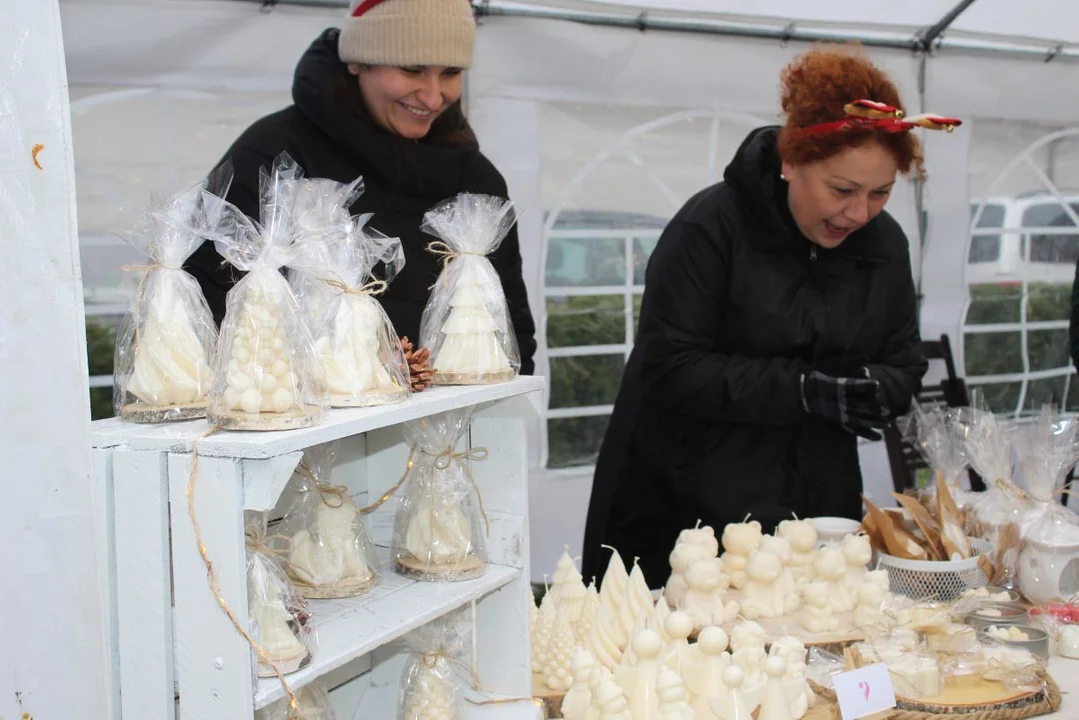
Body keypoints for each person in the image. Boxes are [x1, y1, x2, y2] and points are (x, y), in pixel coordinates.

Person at [581, 47, 962, 587]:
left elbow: (903, 366)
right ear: (791, 161)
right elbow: (669, 366)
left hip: (817, 507)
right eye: (842, 190)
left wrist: (868, 389)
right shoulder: (711, 229)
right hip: (689, 507)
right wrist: (803, 388)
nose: (859, 214)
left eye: (881, 193)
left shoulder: (885, 245)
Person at [184, 0, 536, 376]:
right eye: (412, 69)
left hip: (463, 427)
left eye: (450, 72)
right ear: (357, 61)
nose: (433, 97)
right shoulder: (274, 156)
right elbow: (210, 311)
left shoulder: (475, 179)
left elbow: (512, 328)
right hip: (307, 425)